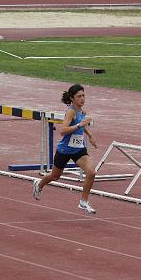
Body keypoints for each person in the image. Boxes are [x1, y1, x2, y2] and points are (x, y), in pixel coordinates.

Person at [32, 84, 98, 214]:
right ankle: (39, 185)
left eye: (83, 96)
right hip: (64, 150)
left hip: (78, 149)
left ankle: (83, 202)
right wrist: (80, 124)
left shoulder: (82, 112)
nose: (82, 99)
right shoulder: (71, 112)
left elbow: (82, 126)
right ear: (72, 99)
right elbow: (63, 131)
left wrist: (90, 136)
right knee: (55, 176)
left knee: (91, 173)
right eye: (79, 96)